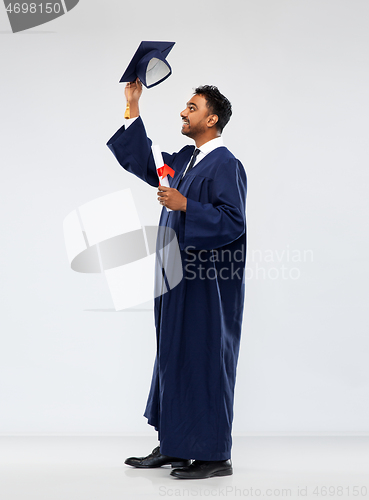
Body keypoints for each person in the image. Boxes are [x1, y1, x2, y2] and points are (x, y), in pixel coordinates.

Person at [107, 80, 247, 479]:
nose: (184, 112)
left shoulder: (225, 164)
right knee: (174, 354)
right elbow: (148, 164)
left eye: (192, 106)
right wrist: (132, 106)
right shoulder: (187, 160)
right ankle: (176, 444)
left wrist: (187, 204)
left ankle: (215, 455)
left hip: (206, 283)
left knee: (203, 358)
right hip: (175, 275)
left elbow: (233, 221)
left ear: (212, 118)